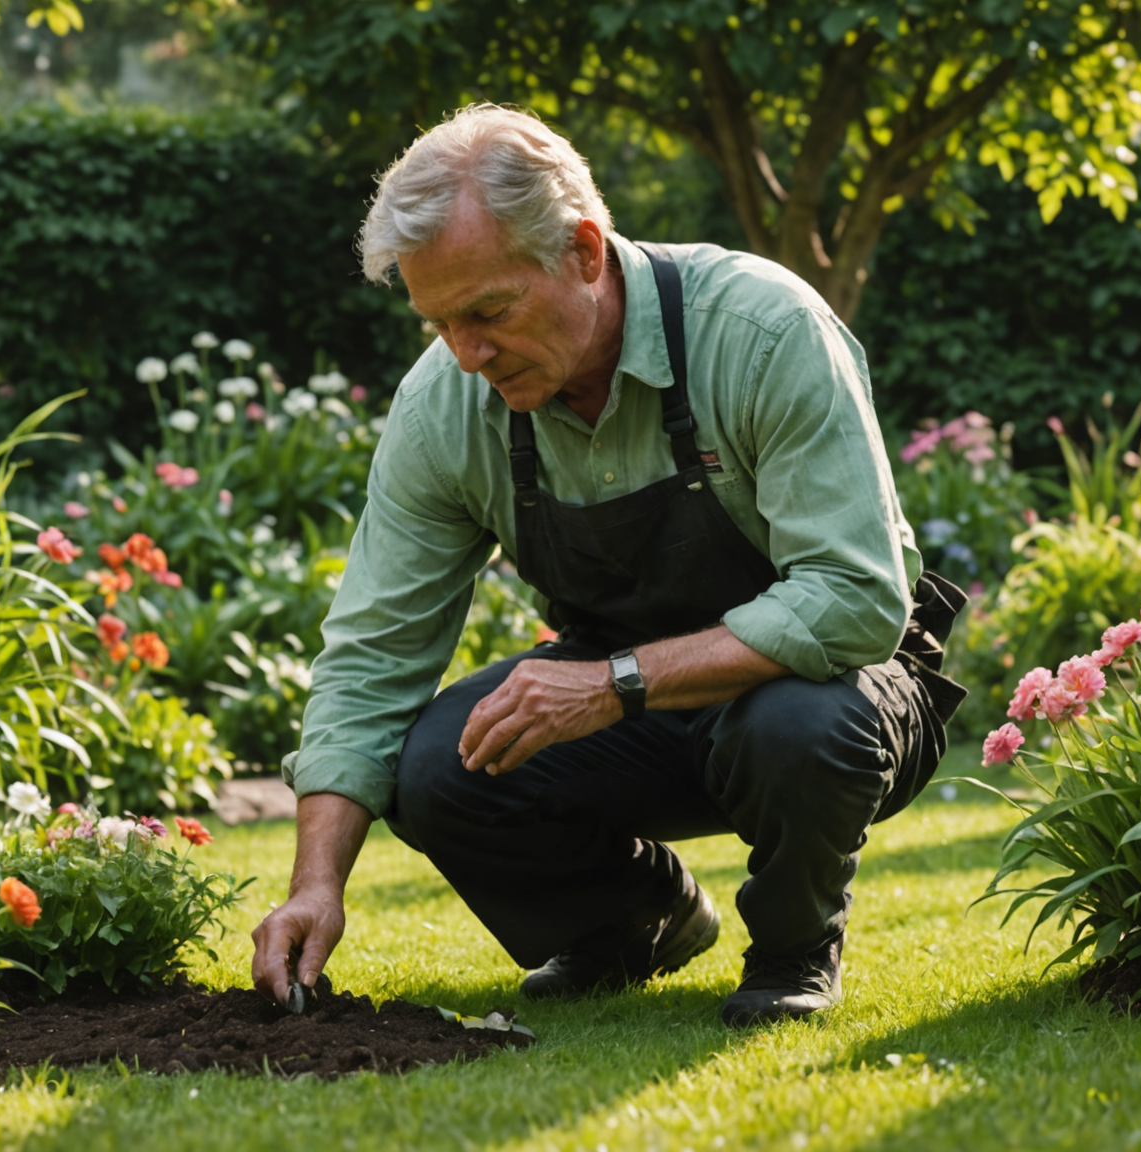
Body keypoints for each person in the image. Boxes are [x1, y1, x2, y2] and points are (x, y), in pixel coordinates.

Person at [249, 104, 965, 1027]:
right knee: (436, 764)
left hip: (835, 690)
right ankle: (635, 921)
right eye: (438, 324)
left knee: (796, 724)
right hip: (629, 704)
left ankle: (794, 949)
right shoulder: (446, 407)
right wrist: (316, 883)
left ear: (584, 251)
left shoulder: (761, 329)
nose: (467, 354)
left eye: (489, 312)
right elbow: (371, 658)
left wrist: (613, 683)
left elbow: (857, 599)